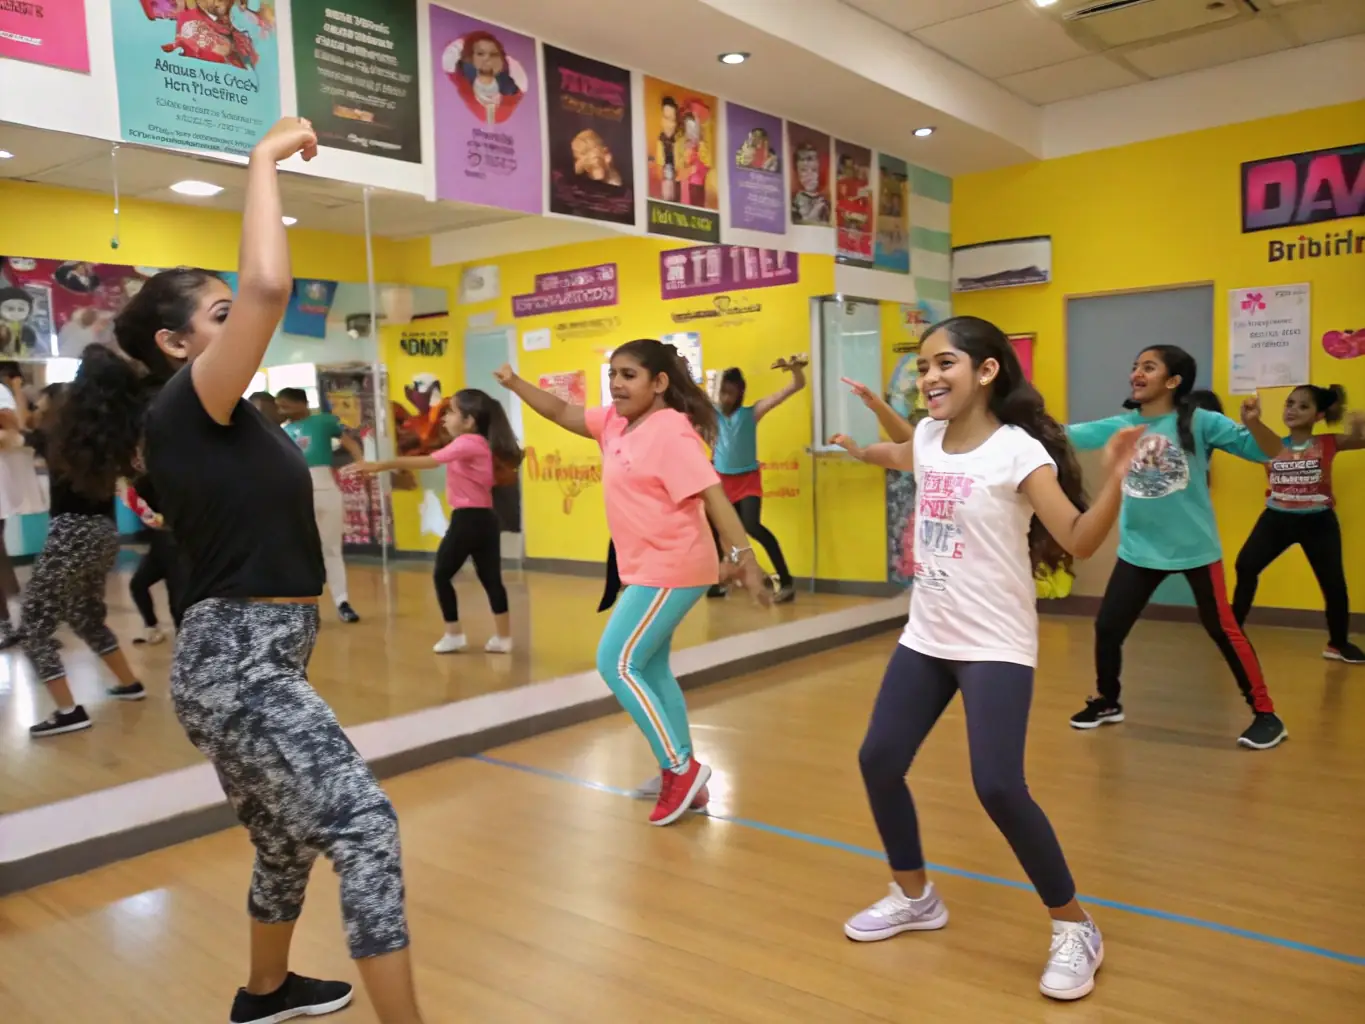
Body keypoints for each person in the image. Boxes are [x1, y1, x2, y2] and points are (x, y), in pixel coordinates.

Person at [115, 118, 424, 1024]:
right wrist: (260, 161)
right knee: (363, 825)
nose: (240, 321)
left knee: (286, 840)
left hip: (260, 653)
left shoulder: (228, 416)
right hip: (239, 659)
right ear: (176, 344)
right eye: (218, 316)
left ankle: (265, 993)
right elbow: (268, 282)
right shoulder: (188, 404)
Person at [831, 315, 1143, 1002]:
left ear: (987, 370)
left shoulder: (1016, 452)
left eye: (944, 363)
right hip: (926, 636)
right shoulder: (928, 437)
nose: (930, 377)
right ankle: (915, 896)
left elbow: (1078, 538)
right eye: (922, 367)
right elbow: (898, 453)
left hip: (994, 643)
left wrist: (1117, 479)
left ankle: (1075, 925)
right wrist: (860, 445)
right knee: (878, 759)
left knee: (998, 786)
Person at [494, 340, 771, 825]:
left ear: (659, 382)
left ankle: (681, 770)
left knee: (617, 662)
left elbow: (714, 497)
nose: (617, 385)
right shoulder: (616, 423)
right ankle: (683, 773)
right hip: (647, 567)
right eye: (613, 375)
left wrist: (745, 558)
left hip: (673, 566)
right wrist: (515, 383)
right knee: (652, 669)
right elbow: (560, 411)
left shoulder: (671, 433)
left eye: (629, 375)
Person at [1065, 345, 1286, 749]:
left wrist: (1254, 424)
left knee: (1223, 630)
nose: (1136, 373)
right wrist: (1012, 416)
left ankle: (1266, 714)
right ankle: (1108, 701)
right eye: (1135, 366)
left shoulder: (1201, 421)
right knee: (1108, 627)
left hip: (1196, 549)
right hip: (1139, 550)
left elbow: (1268, 451)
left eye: (1148, 367)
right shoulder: (1123, 425)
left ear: (1173, 381)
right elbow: (1064, 435)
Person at [11, 365, 146, 737]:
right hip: (103, 534)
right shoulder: (98, 441)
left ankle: (69, 711)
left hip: (71, 534)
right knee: (85, 616)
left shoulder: (56, 438)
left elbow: (19, 425)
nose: (39, 407)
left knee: (34, 626)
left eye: (44, 401)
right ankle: (130, 683)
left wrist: (16, 386)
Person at [349, 389, 522, 654]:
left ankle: (454, 634)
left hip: (468, 518)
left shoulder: (467, 442)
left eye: (451, 412)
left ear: (469, 421)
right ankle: (503, 637)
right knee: (491, 579)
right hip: (485, 518)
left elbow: (430, 461)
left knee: (442, 574)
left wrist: (380, 465)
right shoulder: (481, 443)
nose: (444, 418)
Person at [1234, 385, 1364, 664]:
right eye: (1289, 403)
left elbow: (1360, 440)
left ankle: (1338, 644)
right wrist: (1251, 420)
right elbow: (1247, 435)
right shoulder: (1271, 443)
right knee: (1245, 565)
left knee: (1333, 583)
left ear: (1318, 415)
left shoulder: (1328, 442)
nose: (1292, 410)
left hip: (1318, 522)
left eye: (1303, 406)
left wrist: (1358, 425)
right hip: (1276, 519)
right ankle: (1232, 634)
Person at [707, 357, 805, 603]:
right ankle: (718, 581)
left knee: (752, 526)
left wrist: (795, 371)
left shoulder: (751, 413)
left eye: (731, 393)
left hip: (747, 480)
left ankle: (786, 581)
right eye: (723, 392)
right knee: (716, 529)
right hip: (721, 481)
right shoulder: (711, 414)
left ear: (740, 394)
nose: (726, 398)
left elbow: (796, 386)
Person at [276, 387, 362, 624]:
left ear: (302, 403)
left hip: (327, 491)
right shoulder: (281, 431)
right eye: (279, 406)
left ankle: (342, 602)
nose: (282, 410)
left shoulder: (324, 421)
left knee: (332, 549)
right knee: (300, 551)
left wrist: (361, 463)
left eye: (286, 405)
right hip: (296, 495)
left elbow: (349, 442)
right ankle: (304, 607)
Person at [121, 476, 184, 645]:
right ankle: (152, 627)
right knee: (138, 584)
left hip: (176, 547)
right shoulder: (146, 484)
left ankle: (184, 635)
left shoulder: (174, 484)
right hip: (159, 547)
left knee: (176, 598)